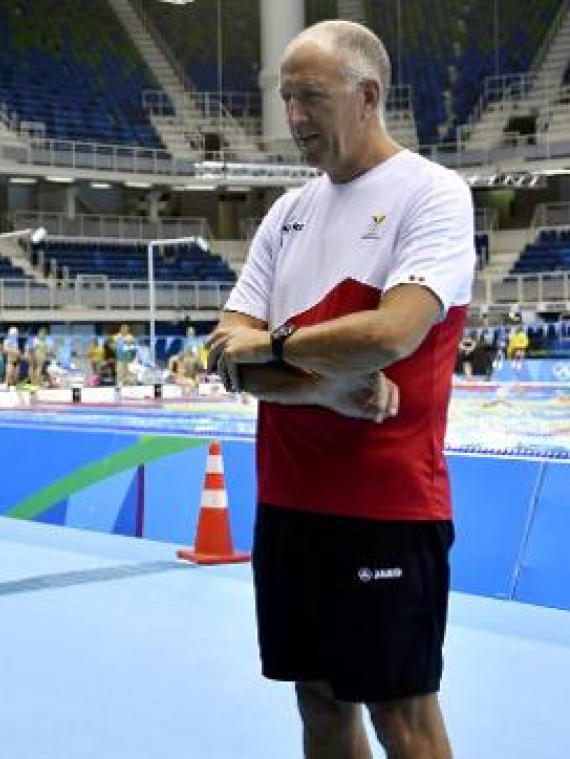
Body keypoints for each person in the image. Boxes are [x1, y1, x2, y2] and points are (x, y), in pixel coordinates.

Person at [209, 21, 473, 759]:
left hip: (386, 504)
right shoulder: (286, 213)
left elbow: (393, 332)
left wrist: (273, 346)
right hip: (289, 503)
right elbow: (224, 357)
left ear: (368, 96)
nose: (293, 118)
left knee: (402, 715)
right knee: (319, 703)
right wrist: (321, 391)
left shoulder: (432, 196)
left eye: (311, 98)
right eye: (286, 98)